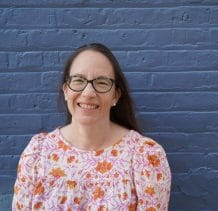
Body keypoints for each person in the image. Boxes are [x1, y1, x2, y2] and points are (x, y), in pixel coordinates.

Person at [12, 43, 171, 210]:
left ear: (115, 95)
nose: (88, 93)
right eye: (78, 80)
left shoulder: (145, 157)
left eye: (101, 82)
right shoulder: (38, 154)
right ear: (66, 90)